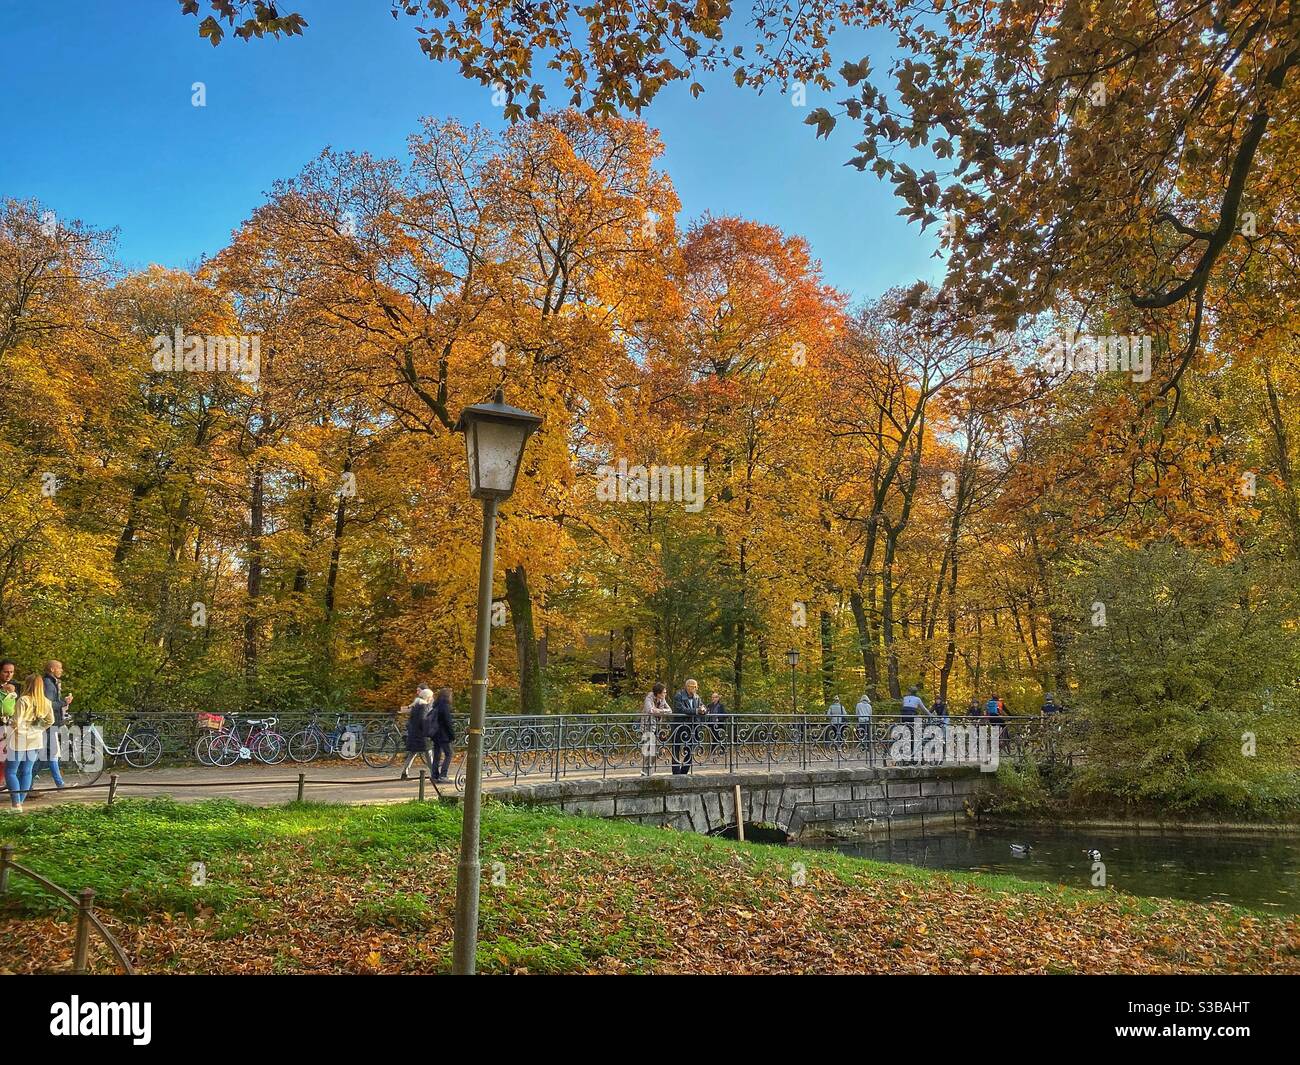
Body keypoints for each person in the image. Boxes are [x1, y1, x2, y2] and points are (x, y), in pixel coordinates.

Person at [5, 675, 54, 812]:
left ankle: (16, 804)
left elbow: (16, 722)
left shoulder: (23, 700)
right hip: (36, 739)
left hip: (20, 738)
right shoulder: (46, 702)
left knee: (11, 771)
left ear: (28, 684)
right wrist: (38, 729)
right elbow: (51, 721)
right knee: (27, 771)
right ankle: (20, 803)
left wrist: (8, 734)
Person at [31, 660, 69, 790]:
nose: (61, 670)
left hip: (52, 724)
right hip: (49, 724)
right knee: (47, 756)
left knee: (51, 755)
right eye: (60, 668)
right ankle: (27, 782)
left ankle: (59, 783)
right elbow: (48, 705)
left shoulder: (51, 683)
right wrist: (64, 702)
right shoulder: (48, 683)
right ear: (52, 669)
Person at [400, 684, 435, 780]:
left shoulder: (416, 705)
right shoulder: (424, 707)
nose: (432, 698)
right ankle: (434, 774)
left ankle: (404, 773)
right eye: (431, 697)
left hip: (414, 734)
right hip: (422, 736)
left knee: (412, 754)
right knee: (429, 755)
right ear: (427, 697)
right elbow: (423, 722)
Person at [671, 679, 704, 775]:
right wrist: (697, 711)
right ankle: (676, 773)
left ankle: (683, 772)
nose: (694, 688)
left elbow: (702, 706)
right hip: (680, 726)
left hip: (692, 727)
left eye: (695, 687)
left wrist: (703, 710)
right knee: (676, 748)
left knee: (690, 749)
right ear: (687, 687)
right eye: (692, 686)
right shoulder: (679, 696)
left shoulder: (697, 697)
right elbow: (681, 709)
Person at [640, 683, 672, 776]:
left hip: (657, 727)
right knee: (648, 749)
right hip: (647, 726)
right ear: (658, 693)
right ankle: (645, 772)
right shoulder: (648, 698)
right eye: (664, 692)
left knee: (655, 750)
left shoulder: (662, 699)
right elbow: (650, 710)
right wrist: (657, 711)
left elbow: (669, 710)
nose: (665, 694)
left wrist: (660, 711)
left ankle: (649, 771)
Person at [427, 687, 455, 783]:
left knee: (437, 755)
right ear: (448, 697)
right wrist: (452, 735)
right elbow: (448, 723)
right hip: (443, 735)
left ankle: (434, 775)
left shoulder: (436, 705)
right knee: (449, 753)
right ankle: (443, 775)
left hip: (435, 734)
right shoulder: (445, 707)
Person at [705, 690, 727, 756]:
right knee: (715, 738)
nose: (713, 699)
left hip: (719, 724)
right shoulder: (709, 705)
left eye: (714, 697)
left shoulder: (721, 706)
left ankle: (715, 751)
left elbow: (725, 715)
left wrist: (719, 719)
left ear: (718, 698)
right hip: (711, 724)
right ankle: (717, 751)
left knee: (717, 738)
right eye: (712, 697)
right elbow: (706, 713)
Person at [854, 692, 873, 757]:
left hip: (861, 722)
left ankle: (862, 747)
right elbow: (870, 714)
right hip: (867, 721)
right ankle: (868, 747)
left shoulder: (858, 705)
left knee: (861, 735)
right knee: (868, 734)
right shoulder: (869, 706)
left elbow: (857, 714)